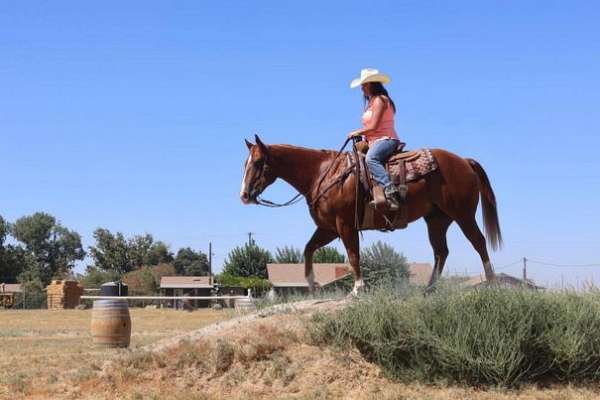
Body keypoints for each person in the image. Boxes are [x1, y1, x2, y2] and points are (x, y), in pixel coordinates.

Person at [347, 68, 403, 210]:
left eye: (364, 85)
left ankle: (390, 190)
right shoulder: (371, 103)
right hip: (373, 141)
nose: (362, 88)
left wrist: (356, 132)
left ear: (372, 84)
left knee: (371, 159)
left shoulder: (380, 100)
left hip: (386, 139)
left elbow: (374, 125)